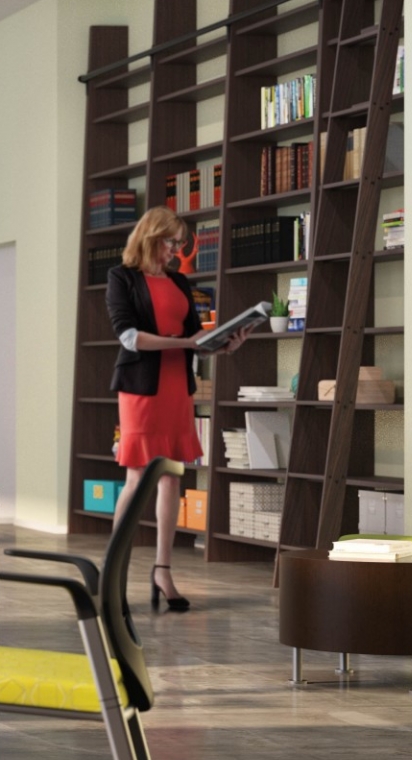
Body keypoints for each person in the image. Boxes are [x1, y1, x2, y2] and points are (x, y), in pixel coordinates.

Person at [107, 207, 248, 613]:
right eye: (170, 242)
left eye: (177, 243)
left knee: (171, 479)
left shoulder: (180, 282)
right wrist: (188, 344)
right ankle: (114, 573)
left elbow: (193, 336)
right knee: (137, 477)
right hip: (140, 390)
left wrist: (225, 342)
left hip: (176, 389)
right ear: (150, 238)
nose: (175, 250)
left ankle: (163, 571)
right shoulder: (122, 278)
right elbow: (131, 338)